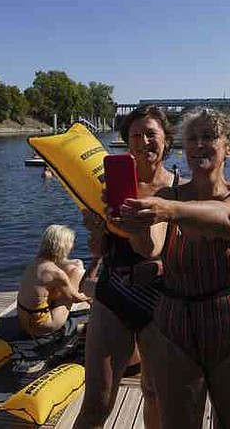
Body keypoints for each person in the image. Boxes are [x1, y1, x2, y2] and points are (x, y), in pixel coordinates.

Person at [117, 107, 230, 429]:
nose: (198, 145)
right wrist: (134, 227)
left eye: (209, 137)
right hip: (175, 329)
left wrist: (168, 209)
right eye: (192, 138)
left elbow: (228, 221)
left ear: (229, 147)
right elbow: (150, 248)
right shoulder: (168, 198)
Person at [74, 105, 180, 429]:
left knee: (156, 394)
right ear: (126, 142)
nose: (144, 141)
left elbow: (154, 248)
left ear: (165, 140)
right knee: (98, 401)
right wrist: (95, 227)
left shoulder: (179, 189)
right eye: (136, 135)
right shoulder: (112, 184)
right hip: (114, 293)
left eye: (151, 134)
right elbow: (99, 249)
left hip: (160, 301)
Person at [16, 225, 87, 338]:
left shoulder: (35, 263)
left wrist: (77, 264)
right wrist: (92, 298)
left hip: (24, 319)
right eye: (72, 243)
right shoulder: (56, 274)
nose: (72, 246)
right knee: (75, 276)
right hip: (42, 326)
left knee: (76, 265)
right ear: (65, 246)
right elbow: (76, 299)